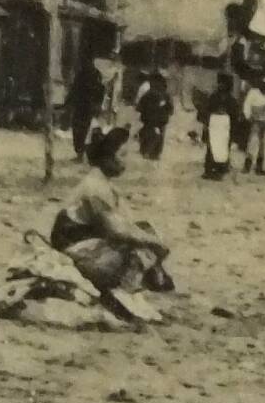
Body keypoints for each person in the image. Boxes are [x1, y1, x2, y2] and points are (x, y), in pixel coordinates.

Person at [50, 126, 173, 295]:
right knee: (137, 248)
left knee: (145, 230)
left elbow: (126, 223)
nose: (126, 161)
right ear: (108, 156)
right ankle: (126, 288)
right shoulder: (95, 187)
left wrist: (148, 237)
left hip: (90, 241)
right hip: (73, 249)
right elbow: (116, 231)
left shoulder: (104, 183)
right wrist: (153, 242)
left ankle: (151, 276)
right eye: (122, 154)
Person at [201, 73, 239, 180]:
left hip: (225, 125)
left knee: (223, 147)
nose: (221, 85)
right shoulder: (213, 97)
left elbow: (234, 115)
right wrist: (206, 124)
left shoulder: (231, 100)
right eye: (220, 83)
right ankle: (208, 170)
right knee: (211, 146)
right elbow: (207, 110)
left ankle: (220, 169)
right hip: (214, 123)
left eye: (224, 83)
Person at [66, 61, 106, 161]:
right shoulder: (96, 75)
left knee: (79, 130)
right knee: (85, 131)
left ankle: (80, 154)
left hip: (82, 107)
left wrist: (67, 104)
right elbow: (101, 91)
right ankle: (84, 153)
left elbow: (73, 90)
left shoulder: (81, 75)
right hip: (88, 108)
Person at [136, 72, 174, 160]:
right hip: (161, 121)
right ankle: (155, 154)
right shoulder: (166, 95)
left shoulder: (147, 94)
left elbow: (139, 108)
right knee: (160, 137)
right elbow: (171, 110)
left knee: (146, 135)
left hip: (148, 120)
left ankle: (144, 151)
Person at [242, 76, 265, 175]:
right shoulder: (253, 92)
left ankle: (259, 167)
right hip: (255, 120)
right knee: (253, 142)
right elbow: (247, 105)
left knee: (263, 144)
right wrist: (248, 116)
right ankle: (247, 165)